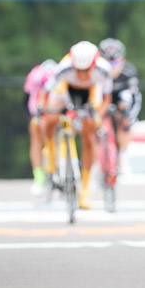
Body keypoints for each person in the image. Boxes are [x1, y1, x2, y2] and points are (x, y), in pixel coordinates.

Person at [39, 41, 113, 209]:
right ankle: (50, 148)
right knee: (50, 117)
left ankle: (85, 187)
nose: (81, 75)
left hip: (91, 93)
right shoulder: (64, 67)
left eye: (86, 71)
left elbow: (107, 100)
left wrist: (98, 116)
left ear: (93, 65)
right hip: (66, 90)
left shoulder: (103, 70)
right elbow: (46, 92)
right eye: (78, 71)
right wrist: (43, 110)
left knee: (88, 133)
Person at [98, 38, 142, 178]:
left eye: (115, 63)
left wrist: (128, 118)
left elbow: (134, 98)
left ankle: (123, 157)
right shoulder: (96, 72)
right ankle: (96, 162)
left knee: (124, 116)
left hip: (121, 97)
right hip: (102, 96)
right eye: (107, 63)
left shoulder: (129, 72)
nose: (112, 68)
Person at [23, 59, 57, 195]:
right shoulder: (35, 75)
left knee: (39, 141)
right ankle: (40, 176)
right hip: (40, 111)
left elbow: (25, 99)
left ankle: (44, 175)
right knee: (37, 139)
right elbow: (27, 98)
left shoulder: (35, 74)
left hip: (48, 112)